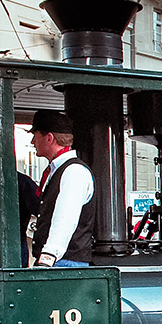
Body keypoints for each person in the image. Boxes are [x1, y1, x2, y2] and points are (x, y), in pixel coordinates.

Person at [29, 109, 95, 267]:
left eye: (35, 136)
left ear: (49, 138)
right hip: (62, 262)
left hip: (64, 263)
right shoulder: (60, 171)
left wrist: (48, 256)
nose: (32, 142)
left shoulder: (74, 172)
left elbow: (65, 217)